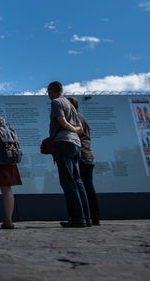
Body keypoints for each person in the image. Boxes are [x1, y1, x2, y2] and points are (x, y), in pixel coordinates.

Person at [47, 81, 90, 228]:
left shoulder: (56, 102)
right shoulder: (71, 104)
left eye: (48, 91)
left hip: (63, 142)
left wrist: (69, 128)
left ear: (51, 90)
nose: (48, 94)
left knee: (68, 182)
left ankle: (77, 218)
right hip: (76, 144)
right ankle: (86, 218)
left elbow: (62, 122)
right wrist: (74, 130)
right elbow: (80, 128)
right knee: (78, 182)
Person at [68, 96, 100, 226]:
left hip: (80, 155)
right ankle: (94, 217)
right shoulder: (83, 119)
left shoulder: (74, 119)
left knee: (78, 186)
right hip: (88, 156)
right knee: (88, 187)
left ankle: (81, 217)